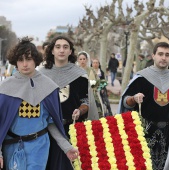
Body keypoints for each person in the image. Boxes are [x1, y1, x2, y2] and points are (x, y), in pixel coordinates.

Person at [0, 37, 78, 170]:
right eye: (21, 60)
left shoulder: (48, 86)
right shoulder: (5, 88)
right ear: (15, 62)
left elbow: (51, 122)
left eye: (29, 59)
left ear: (35, 60)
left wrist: (66, 147)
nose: (25, 64)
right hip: (12, 146)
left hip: (39, 147)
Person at [118, 42, 169, 170]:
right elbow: (125, 101)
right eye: (160, 54)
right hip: (145, 132)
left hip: (168, 133)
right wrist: (134, 99)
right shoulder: (142, 78)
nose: (164, 57)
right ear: (153, 56)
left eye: (167, 55)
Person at [40, 36, 89, 170]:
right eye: (58, 47)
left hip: (72, 130)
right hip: (47, 131)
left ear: (70, 52)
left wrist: (80, 110)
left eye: (65, 47)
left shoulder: (80, 75)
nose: (61, 50)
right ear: (52, 51)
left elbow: (85, 102)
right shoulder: (41, 75)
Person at [77, 51, 102, 118]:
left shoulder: (91, 70)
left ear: (87, 60)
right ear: (78, 60)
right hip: (78, 94)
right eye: (80, 59)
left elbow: (97, 81)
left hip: (91, 93)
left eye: (84, 59)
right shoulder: (75, 70)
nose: (82, 61)